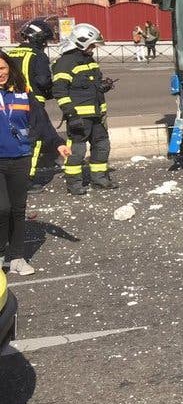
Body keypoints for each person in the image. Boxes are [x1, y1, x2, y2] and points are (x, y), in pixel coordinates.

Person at [1, 49, 70, 275]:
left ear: (9, 68)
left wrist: (56, 143)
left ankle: (17, 257)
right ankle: (2, 254)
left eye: (2, 68)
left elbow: (40, 121)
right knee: (3, 209)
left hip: (20, 158)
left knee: (18, 210)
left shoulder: (23, 92)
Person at [51, 24, 115, 194]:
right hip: (79, 117)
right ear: (81, 42)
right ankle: (74, 185)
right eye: (92, 45)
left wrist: (103, 86)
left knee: (102, 146)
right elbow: (59, 90)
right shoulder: (64, 63)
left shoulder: (89, 61)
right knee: (77, 151)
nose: (93, 48)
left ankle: (100, 180)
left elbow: (92, 85)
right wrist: (71, 114)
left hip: (97, 115)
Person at [7, 19, 57, 190]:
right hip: (31, 103)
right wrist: (52, 90)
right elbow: (43, 81)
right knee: (33, 141)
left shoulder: (11, 53)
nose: (45, 44)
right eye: (45, 40)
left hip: (8, 103)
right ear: (38, 38)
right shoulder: (38, 55)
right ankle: (26, 179)